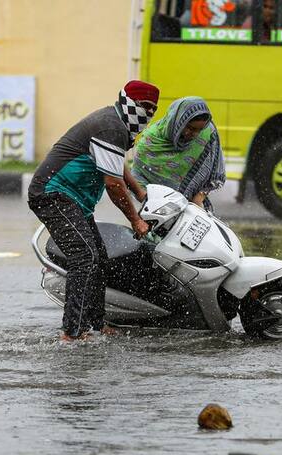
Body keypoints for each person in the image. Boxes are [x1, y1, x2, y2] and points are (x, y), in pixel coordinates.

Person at [28, 80, 160, 341]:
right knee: (84, 258)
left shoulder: (117, 125)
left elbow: (114, 163)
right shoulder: (111, 126)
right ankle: (73, 332)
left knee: (98, 259)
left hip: (74, 199)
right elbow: (112, 184)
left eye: (154, 110)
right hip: (52, 193)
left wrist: (140, 192)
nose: (149, 114)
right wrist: (136, 221)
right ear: (128, 102)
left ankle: (97, 324)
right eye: (145, 107)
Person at [132, 96, 226, 208]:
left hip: (195, 210)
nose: (194, 134)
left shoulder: (208, 133)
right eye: (190, 128)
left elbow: (215, 176)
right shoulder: (150, 141)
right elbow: (137, 176)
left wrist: (198, 199)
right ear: (177, 122)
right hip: (158, 210)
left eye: (198, 130)